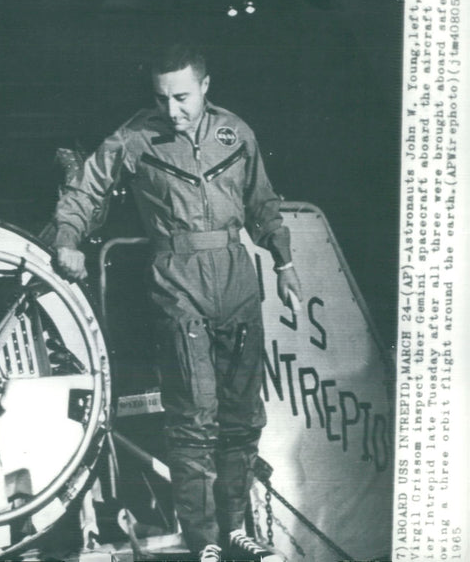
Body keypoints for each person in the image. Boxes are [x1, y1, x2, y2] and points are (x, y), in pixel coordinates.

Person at [52, 42, 301, 559]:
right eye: (163, 98)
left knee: (242, 417)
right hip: (178, 283)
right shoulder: (136, 137)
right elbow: (87, 190)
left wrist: (284, 262)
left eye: (183, 97)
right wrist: (67, 239)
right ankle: (203, 539)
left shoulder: (237, 133)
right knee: (194, 417)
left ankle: (233, 527)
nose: (173, 110)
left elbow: (263, 203)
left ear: (206, 87)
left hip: (238, 281)